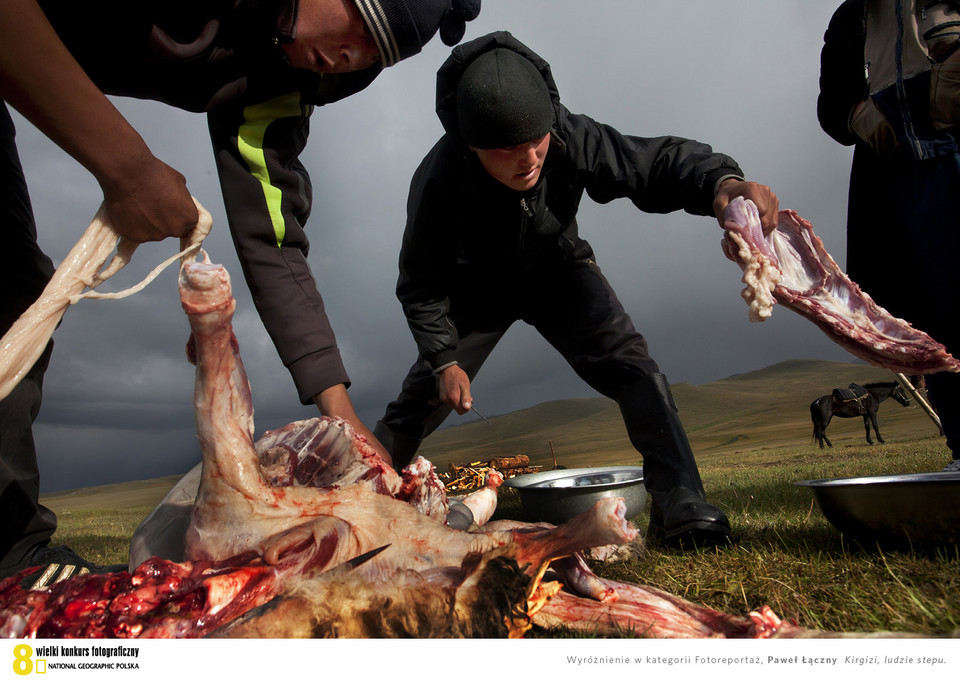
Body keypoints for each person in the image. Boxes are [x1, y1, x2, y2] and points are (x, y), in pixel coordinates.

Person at [0, 0, 481, 584]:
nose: (351, 54)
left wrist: (342, 419)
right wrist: (126, 167)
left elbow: (274, 241)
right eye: (361, 24)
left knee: (12, 286)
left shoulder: (285, 76)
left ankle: (11, 557)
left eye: (374, 55)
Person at [372, 31, 780, 548]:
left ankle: (681, 499)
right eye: (506, 149)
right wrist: (443, 359)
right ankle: (357, 499)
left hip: (557, 269)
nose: (528, 159)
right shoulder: (437, 183)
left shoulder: (567, 135)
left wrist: (721, 184)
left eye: (535, 140)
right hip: (478, 289)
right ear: (472, 146)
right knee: (420, 400)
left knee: (631, 365)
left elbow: (649, 164)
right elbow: (420, 285)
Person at [818, 0, 960, 472]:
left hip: (954, 146)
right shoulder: (852, 17)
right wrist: (857, 112)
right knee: (933, 316)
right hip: (895, 171)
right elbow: (831, 102)